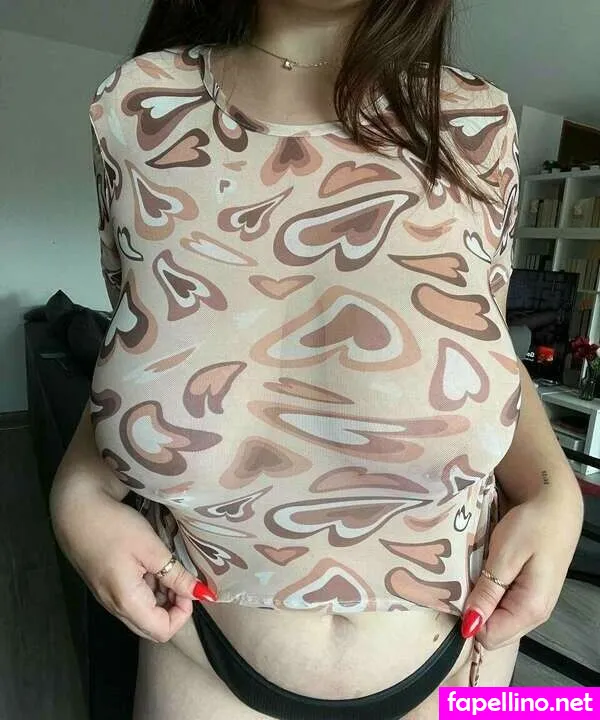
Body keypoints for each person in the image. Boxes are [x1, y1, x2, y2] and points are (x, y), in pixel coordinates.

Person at [50, 1, 585, 718]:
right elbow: (154, 347)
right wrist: (77, 493)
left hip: (463, 662)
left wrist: (557, 490)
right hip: (201, 651)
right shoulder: (138, 107)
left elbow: (478, 348)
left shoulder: (477, 123)